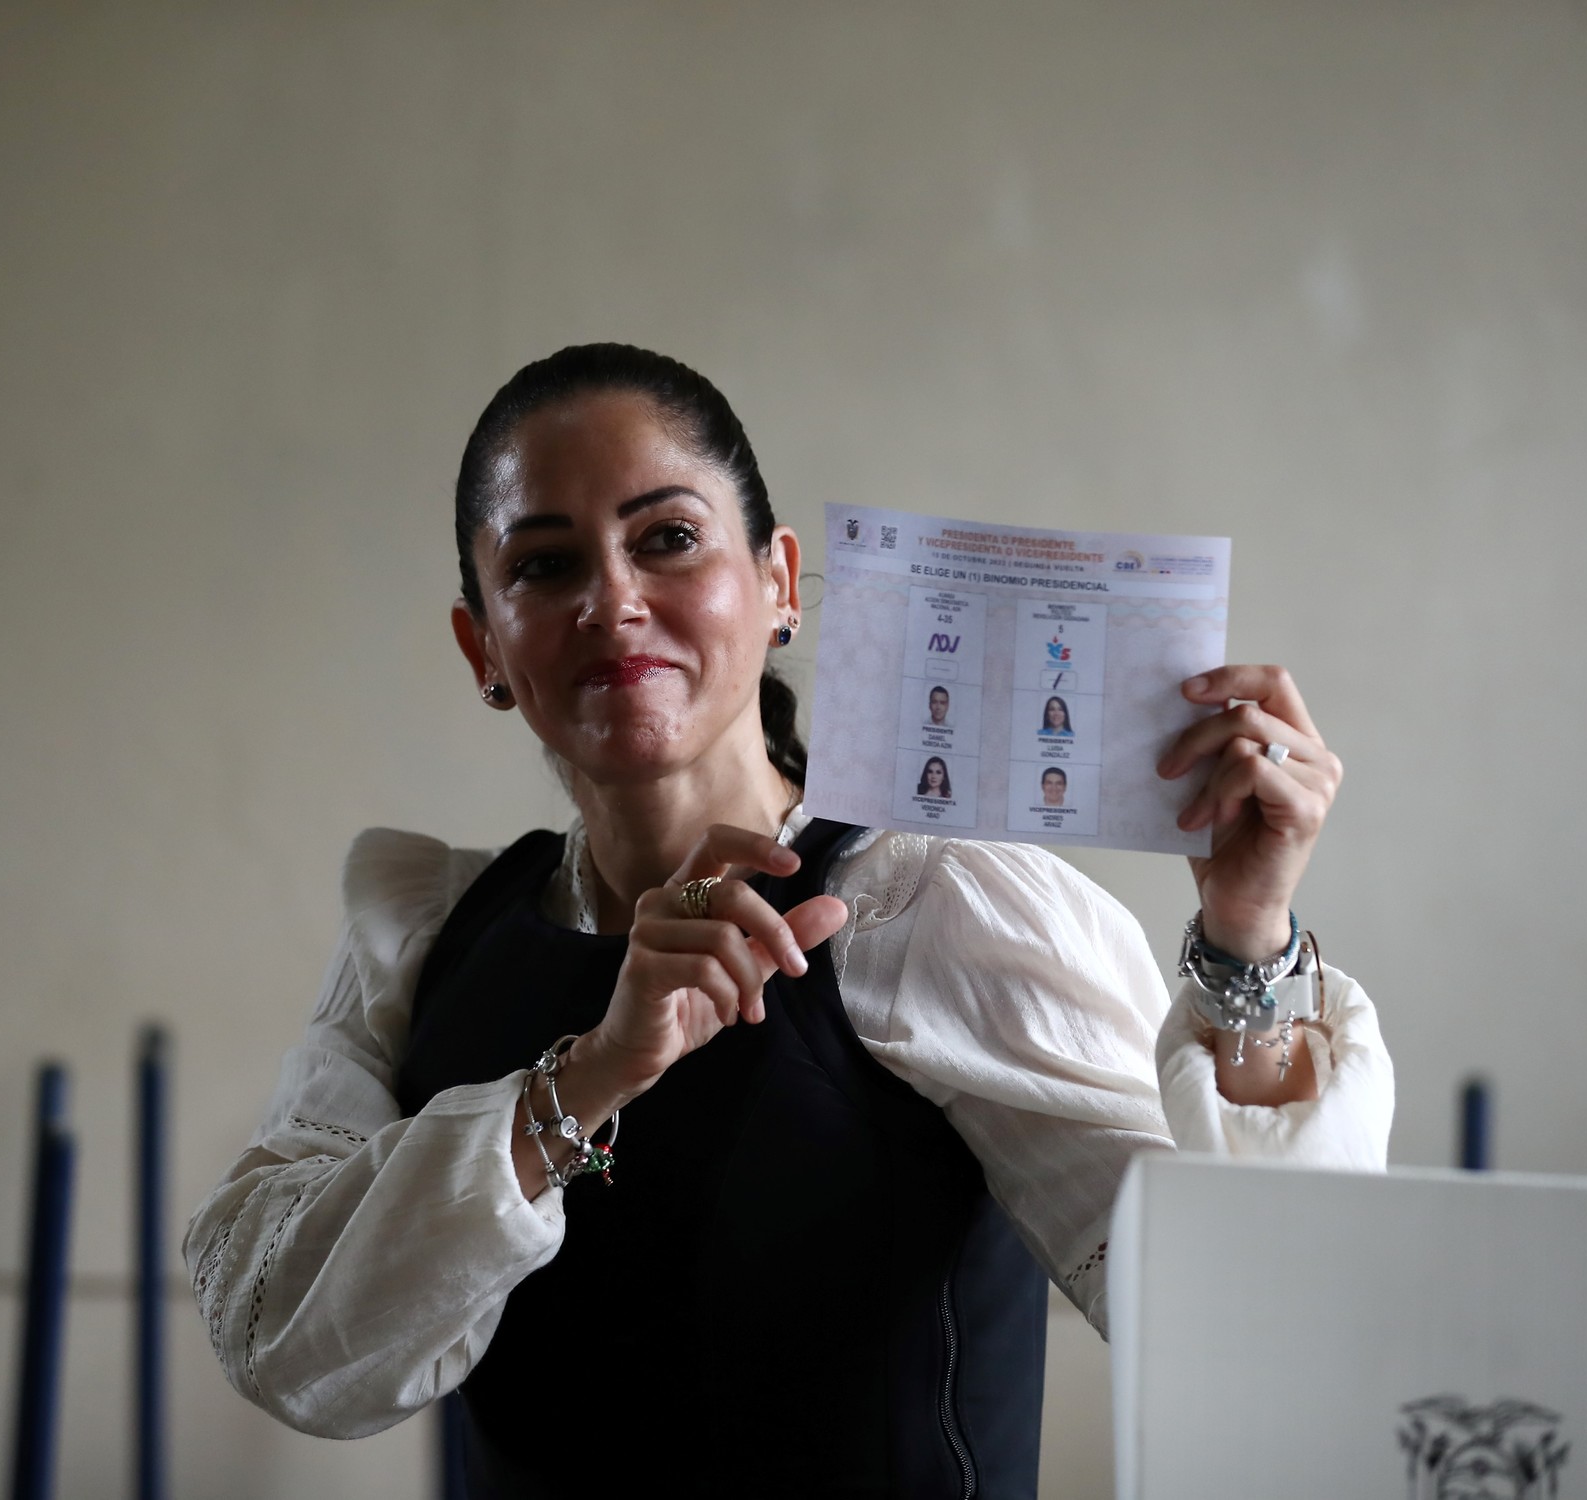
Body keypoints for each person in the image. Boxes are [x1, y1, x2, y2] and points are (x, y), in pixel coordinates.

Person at [184, 344, 1392, 1499]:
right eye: (544, 566)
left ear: (776, 586)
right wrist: (593, 1075)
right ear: (482, 646)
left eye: (666, 539)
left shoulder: (927, 906)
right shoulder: (421, 930)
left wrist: (1248, 935)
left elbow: (1247, 1334)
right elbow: (281, 1340)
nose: (611, 600)